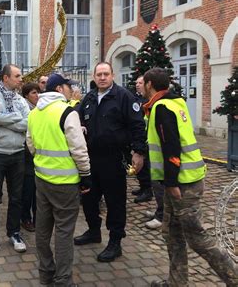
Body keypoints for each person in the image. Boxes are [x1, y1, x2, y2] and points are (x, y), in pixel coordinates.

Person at [142, 68, 238, 287]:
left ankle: (234, 278)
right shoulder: (176, 102)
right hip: (182, 180)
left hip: (182, 183)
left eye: (143, 83)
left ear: (149, 84)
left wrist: (172, 182)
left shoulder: (162, 107)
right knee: (172, 232)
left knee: (197, 237)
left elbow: (171, 146)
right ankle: (177, 282)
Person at [74, 62, 147, 262]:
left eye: (106, 74)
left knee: (115, 202)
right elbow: (77, 119)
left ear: (112, 75)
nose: (102, 77)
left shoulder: (124, 97)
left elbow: (137, 125)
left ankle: (115, 242)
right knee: (89, 198)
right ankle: (93, 231)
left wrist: (139, 152)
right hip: (90, 159)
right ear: (94, 76)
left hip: (113, 159)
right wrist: (79, 127)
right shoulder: (88, 98)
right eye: (99, 74)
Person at [27, 73, 92, 286]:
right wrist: (86, 175)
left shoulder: (35, 112)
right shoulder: (67, 112)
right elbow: (79, 149)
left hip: (42, 179)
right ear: (59, 89)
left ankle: (46, 273)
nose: (70, 90)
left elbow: (31, 144)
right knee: (64, 232)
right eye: (67, 86)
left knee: (43, 229)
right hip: (65, 183)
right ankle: (63, 280)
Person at [0, 64, 30, 258]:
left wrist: (5, 120)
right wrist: (15, 119)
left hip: (17, 153)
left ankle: (14, 233)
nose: (21, 79)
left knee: (16, 196)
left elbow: (29, 122)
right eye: (17, 76)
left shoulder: (20, 100)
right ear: (5, 78)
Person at [20, 82, 40, 232]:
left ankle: (36, 218)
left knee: (36, 190)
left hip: (37, 154)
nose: (37, 95)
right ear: (26, 95)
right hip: (26, 154)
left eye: (38, 92)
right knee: (27, 189)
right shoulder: (25, 109)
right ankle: (25, 218)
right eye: (34, 93)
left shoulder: (38, 109)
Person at [131, 75, 154, 204]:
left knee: (145, 166)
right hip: (138, 137)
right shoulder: (135, 98)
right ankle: (142, 187)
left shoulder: (148, 99)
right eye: (136, 83)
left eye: (140, 83)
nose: (138, 85)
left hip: (146, 138)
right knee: (138, 165)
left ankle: (147, 191)